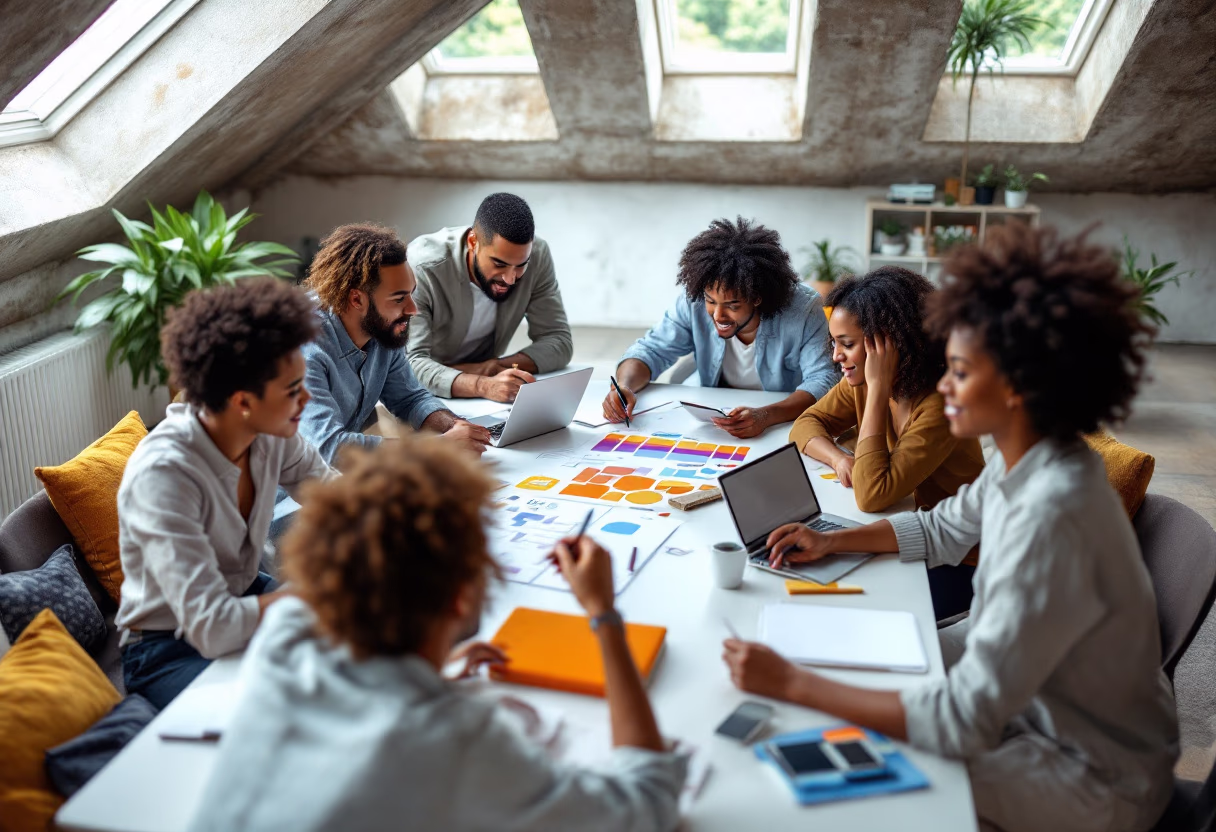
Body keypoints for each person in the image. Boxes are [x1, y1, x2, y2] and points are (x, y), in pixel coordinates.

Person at [722, 225, 1178, 832]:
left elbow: (960, 721)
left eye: (958, 371)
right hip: (1036, 707)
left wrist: (796, 684)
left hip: (1090, 775)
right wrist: (833, 540)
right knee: (860, 661)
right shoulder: (1035, 458)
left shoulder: (1055, 525)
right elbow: (940, 528)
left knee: (857, 781)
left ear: (1018, 387)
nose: (942, 384)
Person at [187, 437, 687, 832]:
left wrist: (434, 673)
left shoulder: (285, 635)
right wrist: (602, 612)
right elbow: (648, 801)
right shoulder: (457, 737)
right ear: (460, 596)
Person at [116, 279, 335, 709]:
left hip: (245, 595)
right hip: (167, 647)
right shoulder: (164, 474)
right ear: (242, 402)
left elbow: (338, 497)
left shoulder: (270, 433)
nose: (305, 400)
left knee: (368, 645)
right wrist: (314, 595)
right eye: (293, 391)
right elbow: (212, 626)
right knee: (294, 704)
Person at [790, 266, 985, 617]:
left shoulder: (939, 404)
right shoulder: (861, 382)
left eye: (847, 344)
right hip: (909, 528)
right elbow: (805, 424)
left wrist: (878, 389)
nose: (836, 356)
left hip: (960, 558)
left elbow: (871, 495)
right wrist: (838, 459)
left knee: (849, 605)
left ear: (888, 344)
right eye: (834, 343)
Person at [604, 217, 837, 439]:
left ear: (757, 298)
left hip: (780, 421)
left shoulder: (804, 309)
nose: (718, 315)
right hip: (711, 420)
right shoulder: (693, 300)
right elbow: (651, 350)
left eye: (732, 305)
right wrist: (624, 387)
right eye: (711, 301)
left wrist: (767, 415)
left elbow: (823, 379)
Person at [298, 223, 490, 464]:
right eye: (399, 298)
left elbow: (410, 398)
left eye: (411, 293)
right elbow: (328, 447)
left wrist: (454, 427)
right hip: (277, 496)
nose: (412, 309)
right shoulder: (303, 348)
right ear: (356, 298)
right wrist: (439, 446)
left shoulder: (381, 328)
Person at [406, 193, 573, 403]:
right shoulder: (421, 267)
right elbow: (410, 365)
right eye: (499, 264)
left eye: (521, 265)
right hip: (427, 398)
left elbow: (559, 341)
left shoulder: (538, 255)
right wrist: (481, 384)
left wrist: (490, 368)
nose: (510, 279)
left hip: (481, 400)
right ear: (473, 241)